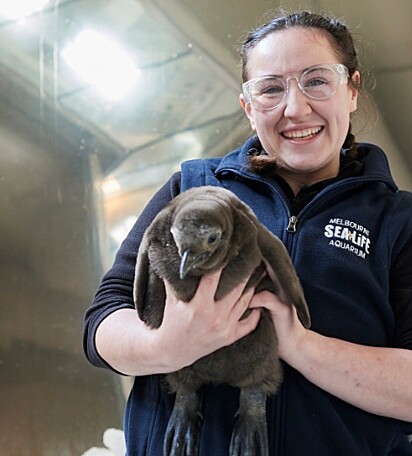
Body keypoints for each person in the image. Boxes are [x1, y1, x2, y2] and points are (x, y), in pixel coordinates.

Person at [83, 10, 412, 455]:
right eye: (271, 88)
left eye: (316, 80)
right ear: (249, 107)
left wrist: (298, 344)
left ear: (351, 90)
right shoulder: (194, 188)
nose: (295, 108)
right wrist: (167, 345)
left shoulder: (398, 220)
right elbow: (103, 323)